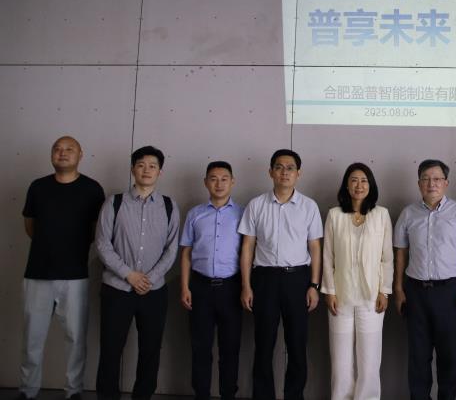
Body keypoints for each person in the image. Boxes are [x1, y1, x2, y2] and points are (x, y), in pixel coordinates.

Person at [18, 136, 105, 400]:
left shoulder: (92, 189)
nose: (62, 153)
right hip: (37, 274)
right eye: (57, 149)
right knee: (32, 339)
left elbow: (96, 232)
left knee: (75, 339)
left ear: (80, 154)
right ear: (52, 155)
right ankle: (27, 390)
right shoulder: (38, 187)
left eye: (69, 149)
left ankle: (73, 391)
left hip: (75, 276)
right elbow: (30, 226)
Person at [95, 145, 180, 400]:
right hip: (117, 288)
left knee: (150, 350)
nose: (146, 170)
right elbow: (102, 243)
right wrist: (129, 275)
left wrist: (149, 279)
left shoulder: (169, 206)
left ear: (160, 172)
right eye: (141, 165)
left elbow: (171, 249)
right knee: (111, 350)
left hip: (154, 292)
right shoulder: (114, 202)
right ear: (133, 169)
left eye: (152, 166)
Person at [238, 149, 322, 400]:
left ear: (298, 173)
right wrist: (246, 286)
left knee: (297, 346)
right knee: (263, 346)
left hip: (298, 280)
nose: (285, 172)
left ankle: (294, 396)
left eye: (290, 168)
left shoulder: (309, 206)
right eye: (279, 167)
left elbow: (315, 248)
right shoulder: (256, 205)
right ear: (270, 172)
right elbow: (247, 247)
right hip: (264, 281)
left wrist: (314, 286)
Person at [393, 159, 456, 400]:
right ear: (419, 183)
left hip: (449, 292)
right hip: (416, 292)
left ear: (446, 183)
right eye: (426, 179)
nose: (432, 183)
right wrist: (398, 289)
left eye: (437, 179)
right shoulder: (408, 213)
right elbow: (401, 252)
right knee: (418, 356)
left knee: (449, 355)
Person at [321, 162, 393, 400]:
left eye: (364, 180)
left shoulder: (381, 215)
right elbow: (327, 256)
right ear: (346, 185)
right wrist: (329, 291)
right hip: (340, 297)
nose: (359, 185)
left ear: (371, 185)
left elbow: (386, 258)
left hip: (371, 298)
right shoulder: (334, 215)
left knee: (369, 359)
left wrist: (384, 291)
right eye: (354, 180)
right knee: (341, 361)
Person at [179, 161, 244, 400]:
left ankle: (228, 394)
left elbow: (248, 252)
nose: (219, 184)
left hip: (231, 288)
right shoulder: (194, 214)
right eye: (213, 179)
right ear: (205, 182)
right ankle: (201, 394)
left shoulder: (243, 214)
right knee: (200, 348)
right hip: (200, 288)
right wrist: (184, 287)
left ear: (232, 182)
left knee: (230, 349)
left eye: (224, 179)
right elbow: (186, 253)